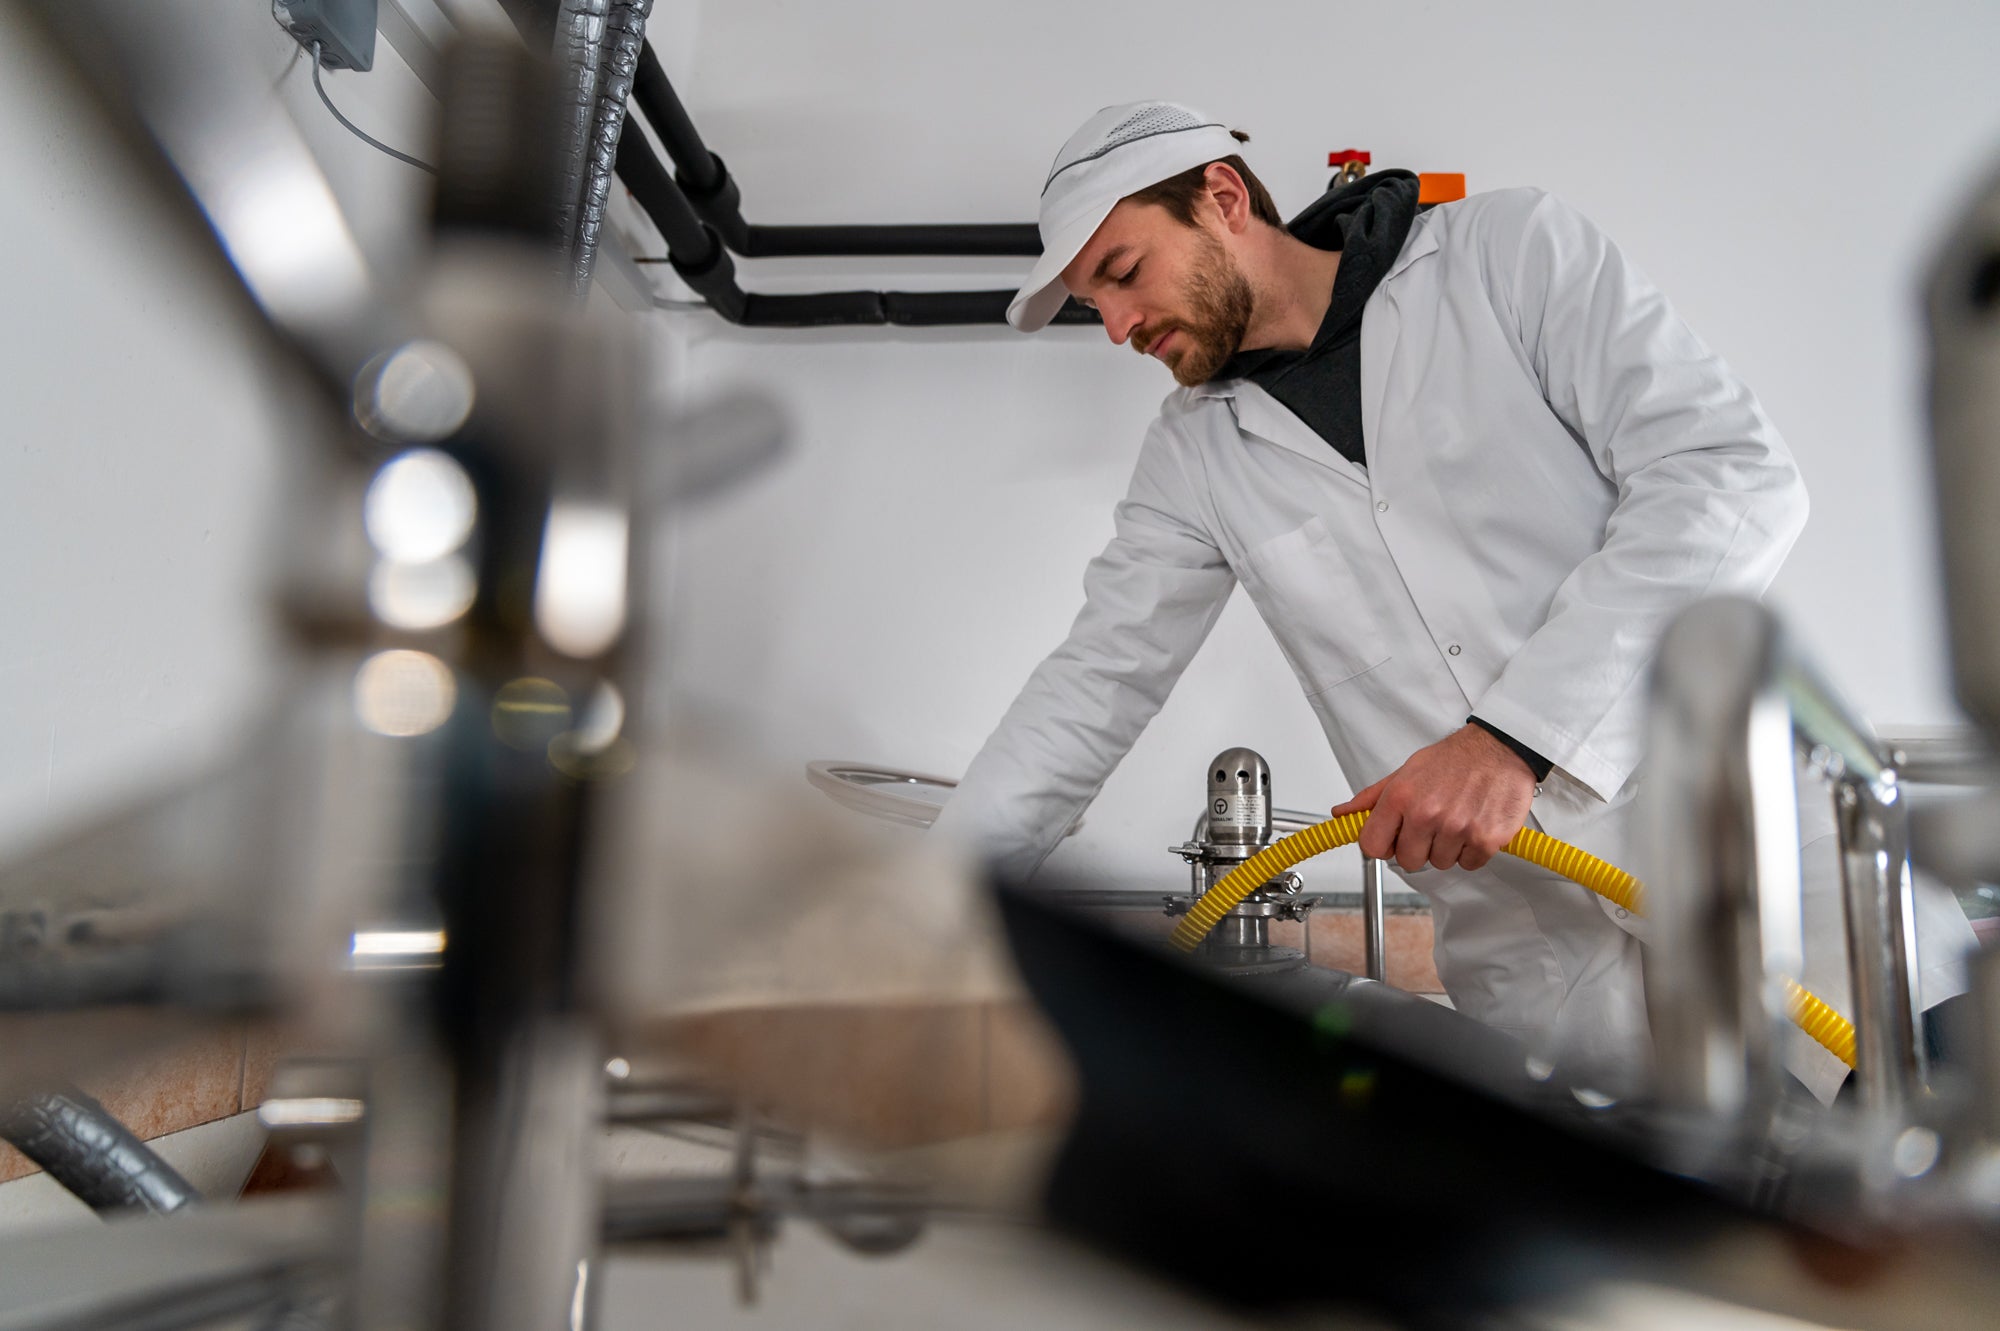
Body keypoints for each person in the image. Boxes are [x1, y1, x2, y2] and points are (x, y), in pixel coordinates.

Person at [928, 100, 1973, 1099]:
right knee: (1650, 1257)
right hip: (1547, 965)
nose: (1113, 325)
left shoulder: (1504, 255)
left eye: (1119, 274)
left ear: (1220, 198)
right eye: (1092, 303)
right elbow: (1094, 680)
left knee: (1921, 1198)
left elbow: (1727, 474)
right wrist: (916, 911)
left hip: (1765, 867)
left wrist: (1507, 741)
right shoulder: (1193, 457)